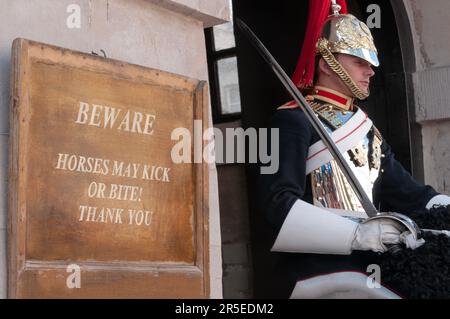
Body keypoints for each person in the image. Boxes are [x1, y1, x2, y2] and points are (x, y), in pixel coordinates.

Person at [257, 0, 450, 298]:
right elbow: (277, 206)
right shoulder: (291, 120)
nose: (370, 71)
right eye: (360, 62)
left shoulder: (364, 126)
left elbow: (409, 194)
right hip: (319, 268)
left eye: (370, 63)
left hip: (368, 263)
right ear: (326, 63)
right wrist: (357, 234)